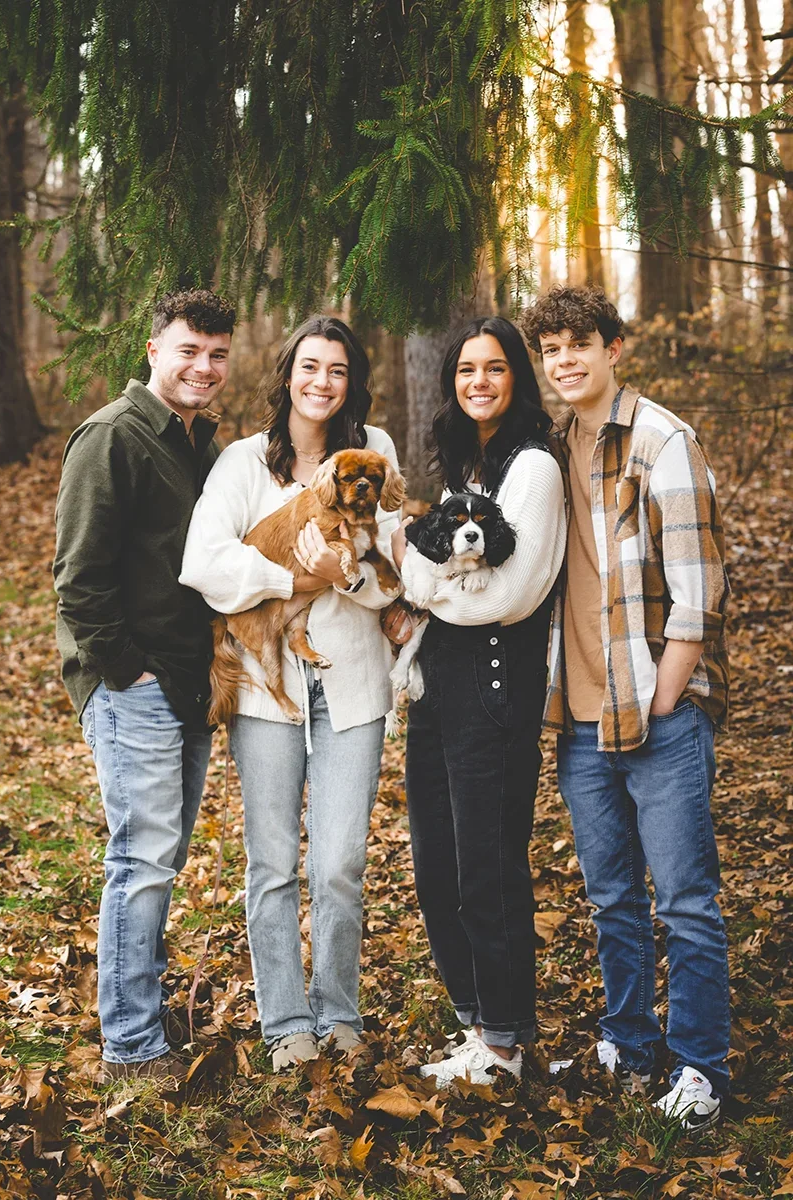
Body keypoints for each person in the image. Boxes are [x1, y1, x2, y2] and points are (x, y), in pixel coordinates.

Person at [521, 285, 730, 1131]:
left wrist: (662, 700)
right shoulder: (549, 448)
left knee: (683, 899)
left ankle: (701, 1066)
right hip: (579, 718)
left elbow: (700, 592)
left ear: (615, 348)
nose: (565, 361)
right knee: (611, 897)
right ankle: (629, 1043)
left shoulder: (661, 440)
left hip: (659, 718)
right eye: (552, 349)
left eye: (581, 344)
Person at [180, 315, 402, 1072]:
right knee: (272, 861)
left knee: (337, 860)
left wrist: (346, 578)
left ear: (352, 382)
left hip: (352, 682)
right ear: (286, 376)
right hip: (264, 685)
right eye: (310, 366)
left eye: (337, 370)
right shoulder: (242, 463)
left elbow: (386, 577)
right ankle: (286, 1022)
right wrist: (294, 578)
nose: (321, 382)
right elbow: (205, 564)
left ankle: (339, 1011)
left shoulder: (374, 454)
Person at [53, 288, 236, 1081]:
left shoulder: (197, 442)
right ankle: (131, 1046)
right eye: (189, 349)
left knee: (159, 857)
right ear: (153, 349)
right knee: (142, 860)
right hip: (136, 686)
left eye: (218, 353)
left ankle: (141, 1016)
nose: (205, 366)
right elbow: (78, 578)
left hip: (188, 685)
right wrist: (130, 670)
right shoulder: (113, 438)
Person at [391, 315, 566, 1085]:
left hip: (495, 691)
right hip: (437, 692)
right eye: (466, 370)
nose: (479, 382)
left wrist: (421, 585)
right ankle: (479, 1027)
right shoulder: (473, 465)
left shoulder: (532, 468)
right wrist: (425, 587)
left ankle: (504, 1042)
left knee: (486, 868)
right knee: (435, 867)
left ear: (516, 378)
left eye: (494, 368)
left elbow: (509, 596)